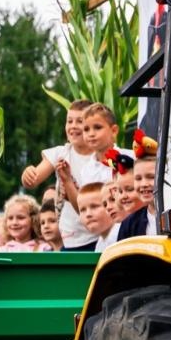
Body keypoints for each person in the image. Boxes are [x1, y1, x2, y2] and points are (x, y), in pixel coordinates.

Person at [24, 99, 100, 250]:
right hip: (70, 238)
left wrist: (69, 184)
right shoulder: (61, 153)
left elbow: (83, 207)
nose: (73, 126)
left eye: (79, 121)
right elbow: (33, 180)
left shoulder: (101, 158)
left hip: (97, 238)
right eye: (69, 121)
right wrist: (28, 175)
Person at [55, 104, 119, 247]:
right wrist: (67, 180)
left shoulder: (129, 158)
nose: (91, 133)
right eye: (86, 129)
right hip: (103, 239)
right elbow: (83, 206)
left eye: (97, 127)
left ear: (114, 130)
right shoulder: (87, 171)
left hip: (127, 233)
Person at [75, 182, 116, 251]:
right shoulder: (100, 243)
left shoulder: (120, 237)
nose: (88, 214)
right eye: (82, 210)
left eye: (94, 206)